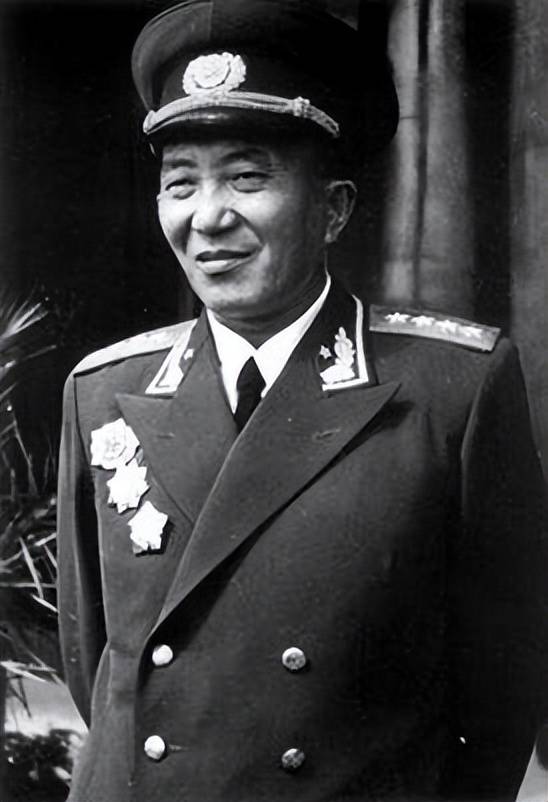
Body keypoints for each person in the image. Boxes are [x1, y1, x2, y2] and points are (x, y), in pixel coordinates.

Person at [57, 1, 548, 801]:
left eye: (247, 178)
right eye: (180, 183)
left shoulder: (452, 389)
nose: (208, 216)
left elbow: (504, 689)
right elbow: (94, 665)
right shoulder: (105, 393)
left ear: (334, 208)